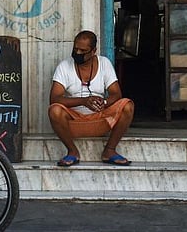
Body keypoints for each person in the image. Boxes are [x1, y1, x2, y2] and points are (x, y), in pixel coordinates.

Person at [48, 30, 135, 167]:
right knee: (54, 110)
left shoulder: (104, 63)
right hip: (74, 121)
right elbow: (54, 98)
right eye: (75, 49)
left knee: (127, 106)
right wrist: (83, 101)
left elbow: (116, 94)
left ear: (93, 51)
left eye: (83, 50)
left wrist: (104, 103)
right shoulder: (64, 66)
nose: (78, 53)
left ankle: (109, 151)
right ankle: (72, 152)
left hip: (101, 117)